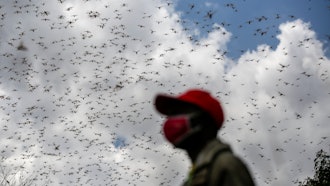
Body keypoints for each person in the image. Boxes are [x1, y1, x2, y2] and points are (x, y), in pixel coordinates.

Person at [154, 89, 255, 186]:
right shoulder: (195, 177)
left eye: (178, 113)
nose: (171, 121)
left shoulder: (225, 165)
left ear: (203, 119)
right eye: (171, 115)